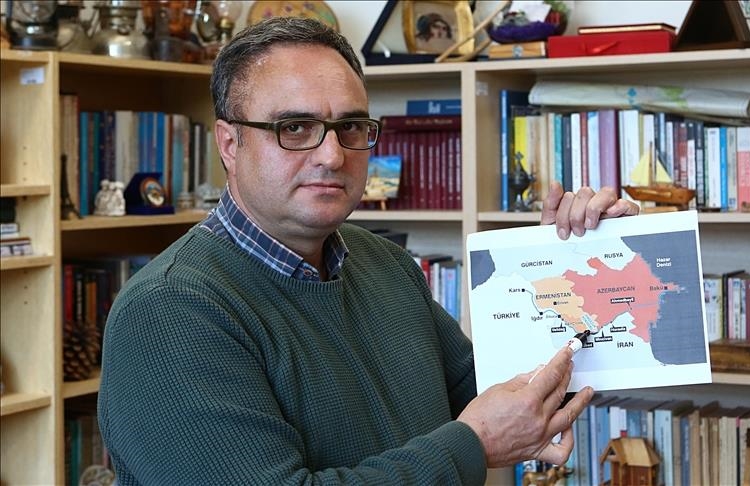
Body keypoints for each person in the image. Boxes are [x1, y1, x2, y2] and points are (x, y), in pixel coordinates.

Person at [97, 16, 639, 485]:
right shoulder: (169, 312)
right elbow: (482, 430)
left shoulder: (384, 263)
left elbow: (506, 396)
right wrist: (471, 445)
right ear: (229, 143)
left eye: (350, 126)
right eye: (295, 127)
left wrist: (568, 265)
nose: (332, 155)